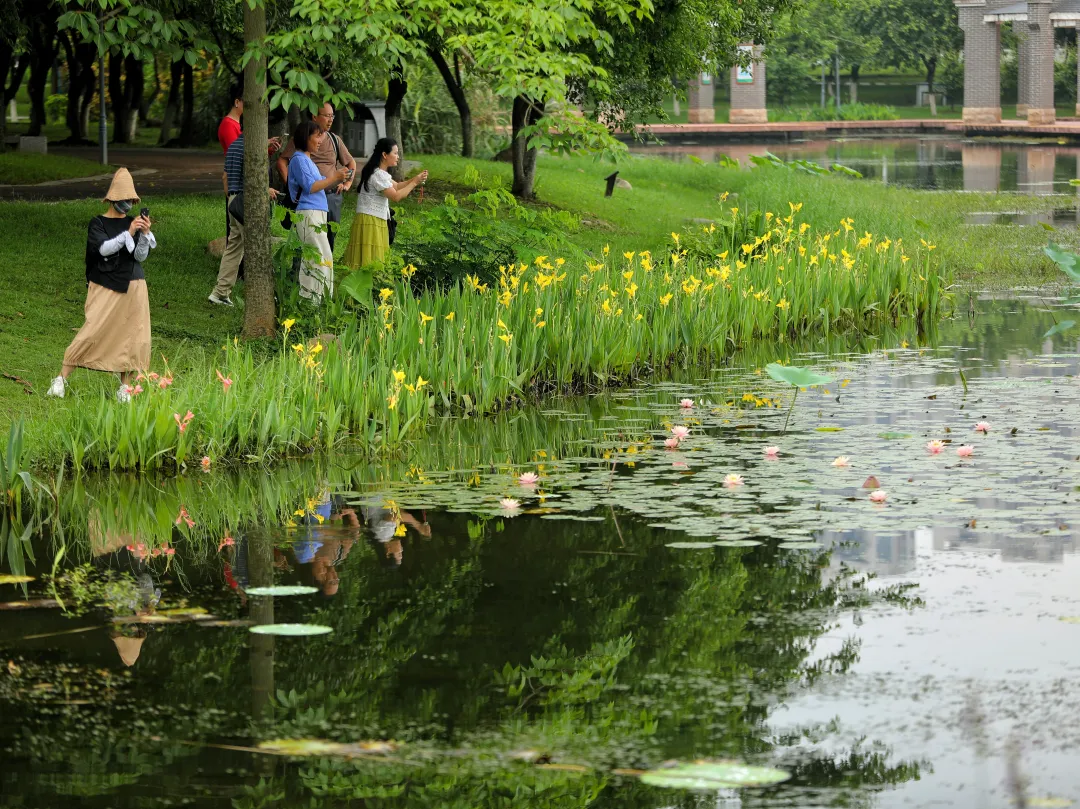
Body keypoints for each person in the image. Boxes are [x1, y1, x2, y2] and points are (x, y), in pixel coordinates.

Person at [46, 168, 156, 403]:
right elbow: (103, 250)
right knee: (92, 330)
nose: (127, 204)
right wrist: (127, 232)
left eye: (130, 200)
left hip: (134, 286)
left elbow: (138, 257)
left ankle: (125, 388)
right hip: (105, 285)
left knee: (132, 336)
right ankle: (60, 380)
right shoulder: (98, 223)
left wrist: (144, 235)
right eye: (124, 199)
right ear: (113, 198)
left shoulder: (133, 223)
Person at [209, 133, 280, 306]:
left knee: (233, 248)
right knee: (257, 247)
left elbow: (225, 177)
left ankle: (220, 292)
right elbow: (252, 180)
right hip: (246, 201)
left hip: (233, 201)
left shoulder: (233, 146)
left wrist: (232, 199)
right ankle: (269, 296)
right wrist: (266, 190)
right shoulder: (250, 149)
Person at [276, 102, 356, 252]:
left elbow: (351, 162)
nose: (331, 120)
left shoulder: (334, 139)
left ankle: (324, 270)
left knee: (328, 239)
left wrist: (347, 183)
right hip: (307, 199)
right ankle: (300, 272)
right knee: (305, 242)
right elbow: (282, 161)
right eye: (327, 116)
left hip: (331, 197)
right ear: (314, 116)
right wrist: (292, 185)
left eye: (332, 116)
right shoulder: (301, 141)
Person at [287, 120, 348, 302]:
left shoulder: (308, 160)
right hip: (308, 213)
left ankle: (322, 300)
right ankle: (310, 301)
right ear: (306, 137)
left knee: (324, 256)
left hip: (316, 213)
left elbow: (321, 182)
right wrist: (335, 176)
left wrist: (340, 178)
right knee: (316, 259)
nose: (321, 140)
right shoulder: (298, 159)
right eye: (317, 136)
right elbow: (310, 186)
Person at [344, 137, 426, 271]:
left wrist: (416, 178)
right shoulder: (378, 175)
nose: (398, 156)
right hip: (371, 220)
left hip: (372, 218)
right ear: (384, 154)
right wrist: (415, 182)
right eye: (395, 153)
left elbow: (398, 186)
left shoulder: (379, 173)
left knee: (367, 258)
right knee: (370, 259)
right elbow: (396, 196)